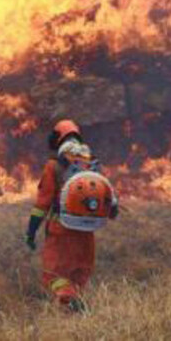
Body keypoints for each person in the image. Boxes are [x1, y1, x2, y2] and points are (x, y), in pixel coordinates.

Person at [24, 119, 117, 311]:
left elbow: (42, 205)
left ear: (57, 139)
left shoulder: (54, 166)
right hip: (87, 232)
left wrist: (31, 231)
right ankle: (74, 310)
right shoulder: (93, 164)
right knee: (79, 274)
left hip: (61, 231)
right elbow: (110, 200)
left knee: (53, 275)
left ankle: (69, 300)